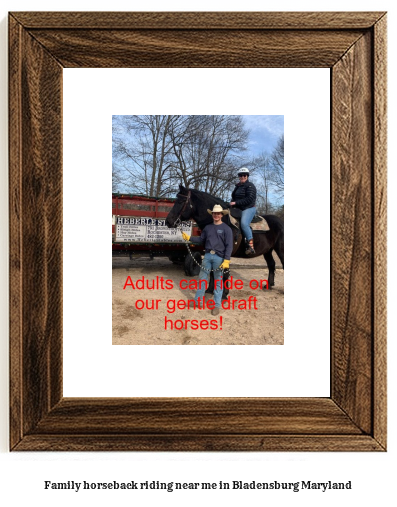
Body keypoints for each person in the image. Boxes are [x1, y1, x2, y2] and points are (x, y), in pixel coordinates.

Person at [182, 204, 233, 316]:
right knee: (202, 279)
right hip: (208, 256)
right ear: (212, 215)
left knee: (218, 281)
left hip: (219, 258)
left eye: (218, 213)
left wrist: (226, 260)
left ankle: (216, 305)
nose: (216, 215)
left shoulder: (226, 229)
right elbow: (201, 239)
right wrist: (189, 238)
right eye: (214, 213)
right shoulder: (208, 228)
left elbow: (229, 246)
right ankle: (197, 301)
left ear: (221, 215)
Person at [230, 167, 257, 254]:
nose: (242, 177)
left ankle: (250, 245)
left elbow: (249, 199)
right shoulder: (237, 186)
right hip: (238, 208)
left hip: (248, 208)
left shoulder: (250, 186)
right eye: (241, 175)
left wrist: (235, 203)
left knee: (244, 223)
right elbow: (233, 198)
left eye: (244, 175)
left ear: (247, 176)